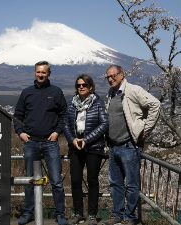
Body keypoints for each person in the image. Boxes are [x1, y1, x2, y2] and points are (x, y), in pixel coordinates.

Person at [102, 65, 160, 225]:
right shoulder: (110, 93)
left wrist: (146, 129)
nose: (110, 79)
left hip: (129, 146)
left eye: (113, 75)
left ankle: (129, 217)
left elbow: (155, 104)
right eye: (108, 77)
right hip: (114, 146)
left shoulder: (133, 90)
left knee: (132, 184)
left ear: (122, 75)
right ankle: (118, 215)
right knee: (115, 183)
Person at [13, 61, 68, 225]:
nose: (41, 75)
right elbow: (17, 115)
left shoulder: (56, 92)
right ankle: (29, 213)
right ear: (34, 73)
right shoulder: (26, 93)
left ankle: (60, 214)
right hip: (30, 142)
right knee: (30, 180)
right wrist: (20, 133)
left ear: (49, 73)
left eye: (44, 72)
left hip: (50, 143)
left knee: (56, 181)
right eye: (38, 72)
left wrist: (57, 131)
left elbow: (64, 115)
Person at [63, 74, 108, 225]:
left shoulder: (98, 103)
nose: (81, 87)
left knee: (92, 180)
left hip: (93, 147)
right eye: (78, 85)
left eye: (84, 85)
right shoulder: (71, 104)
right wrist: (72, 139)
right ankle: (77, 213)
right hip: (75, 147)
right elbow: (65, 124)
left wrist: (87, 140)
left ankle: (92, 215)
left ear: (91, 87)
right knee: (75, 180)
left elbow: (104, 124)